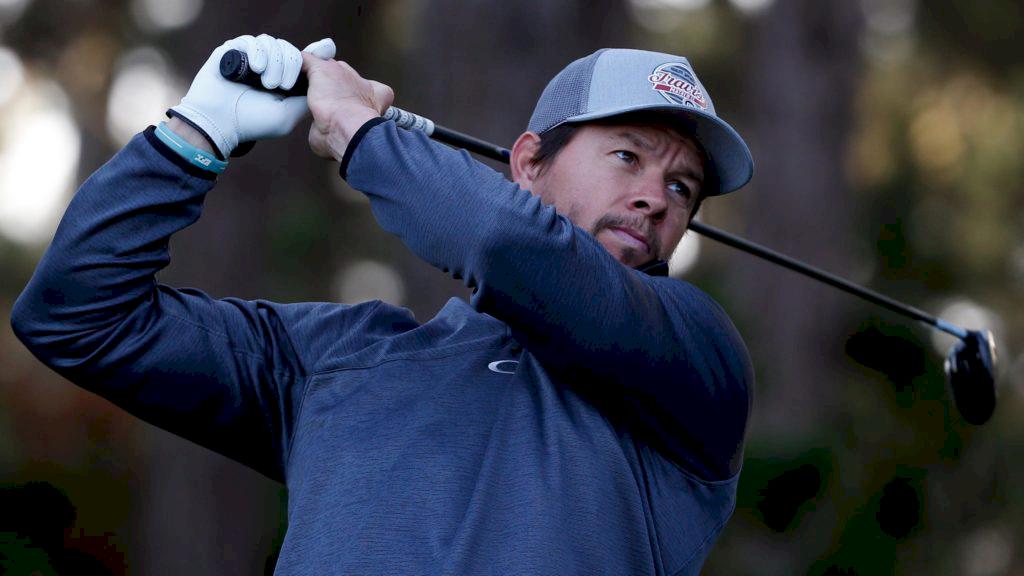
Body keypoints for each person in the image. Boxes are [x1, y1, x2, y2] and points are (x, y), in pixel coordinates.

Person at [11, 33, 755, 575]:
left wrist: (353, 128)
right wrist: (194, 135)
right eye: (627, 155)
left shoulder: (695, 355)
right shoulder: (339, 356)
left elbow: (505, 244)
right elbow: (80, 317)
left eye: (682, 185)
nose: (655, 198)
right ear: (528, 163)